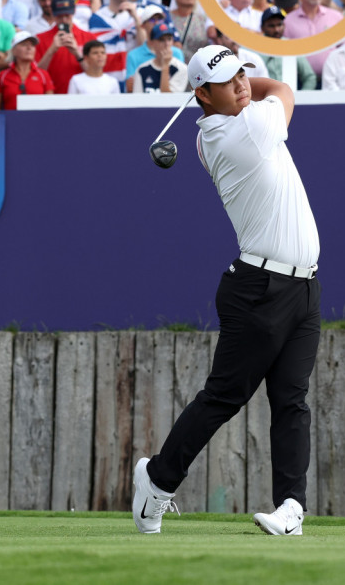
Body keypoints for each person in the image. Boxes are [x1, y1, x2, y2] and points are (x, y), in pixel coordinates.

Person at [133, 45, 319, 538]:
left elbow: (254, 92)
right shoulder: (241, 131)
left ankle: (290, 508)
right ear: (201, 95)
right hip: (259, 288)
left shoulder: (231, 121)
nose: (241, 84)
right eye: (228, 80)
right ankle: (156, 480)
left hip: (303, 286)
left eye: (242, 75)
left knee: (292, 400)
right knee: (224, 396)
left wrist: (235, 76)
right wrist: (254, 82)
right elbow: (282, 89)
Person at [35, 0, 95, 95]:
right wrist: (51, 50)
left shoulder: (89, 38)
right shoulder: (40, 39)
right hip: (53, 96)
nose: (64, 20)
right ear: (53, 14)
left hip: (82, 96)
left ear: (74, 12)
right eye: (59, 16)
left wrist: (77, 53)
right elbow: (36, 75)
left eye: (67, 15)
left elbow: (95, 74)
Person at [0, 32, 54, 110]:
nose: (29, 48)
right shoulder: (3, 75)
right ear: (14, 51)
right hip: (11, 120)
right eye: (24, 44)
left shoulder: (43, 75)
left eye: (32, 45)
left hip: (37, 120)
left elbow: (51, 106)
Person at [257, 8, 317, 89]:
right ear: (262, 28)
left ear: (284, 25)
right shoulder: (255, 48)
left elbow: (309, 77)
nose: (276, 29)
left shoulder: (291, 46)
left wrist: (301, 98)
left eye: (279, 24)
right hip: (262, 98)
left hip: (290, 98)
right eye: (271, 26)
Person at [128, 23, 188, 93]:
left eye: (169, 39)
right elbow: (137, 100)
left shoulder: (181, 68)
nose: (166, 44)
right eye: (161, 40)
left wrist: (165, 65)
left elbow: (169, 99)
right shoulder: (142, 70)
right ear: (152, 43)